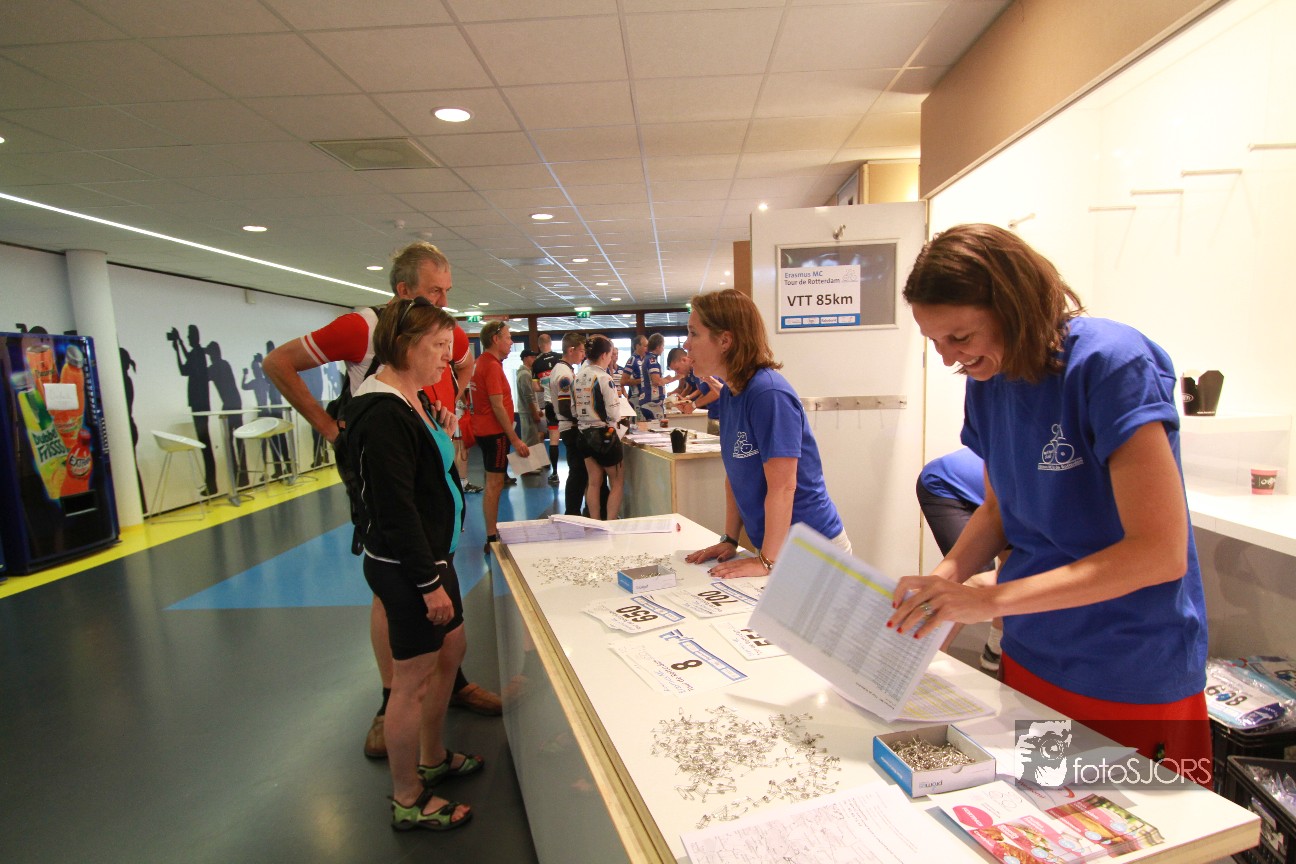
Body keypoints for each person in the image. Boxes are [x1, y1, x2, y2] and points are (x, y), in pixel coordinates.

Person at [890, 223, 1210, 783]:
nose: (948, 359)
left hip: (1125, 668)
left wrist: (987, 600)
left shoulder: (1110, 364)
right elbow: (997, 509)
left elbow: (1159, 553)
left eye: (959, 337)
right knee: (1050, 809)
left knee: (1136, 822)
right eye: (935, 342)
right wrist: (944, 580)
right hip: (1034, 652)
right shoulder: (987, 380)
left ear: (1013, 306)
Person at [263, 241, 501, 763]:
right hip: (386, 458)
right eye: (435, 291)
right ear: (403, 290)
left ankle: (451, 681)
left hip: (430, 451)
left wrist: (447, 414)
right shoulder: (360, 328)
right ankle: (392, 698)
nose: (445, 301)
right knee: (398, 575)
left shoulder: (449, 333)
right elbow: (278, 363)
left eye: (448, 291)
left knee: (439, 557)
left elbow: (460, 367)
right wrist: (333, 430)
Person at [344, 298, 479, 832]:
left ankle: (433, 755)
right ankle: (407, 797)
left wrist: (438, 427)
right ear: (404, 345)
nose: (448, 358)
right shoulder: (382, 413)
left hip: (433, 555)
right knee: (412, 681)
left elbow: (425, 469)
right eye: (439, 346)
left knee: (452, 650)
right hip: (410, 567)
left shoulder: (411, 397)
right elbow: (394, 509)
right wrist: (428, 584)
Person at [683, 289, 849, 578]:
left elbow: (784, 487)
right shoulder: (730, 394)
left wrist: (767, 561)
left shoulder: (768, 394)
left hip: (813, 549)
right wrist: (730, 539)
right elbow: (735, 475)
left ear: (725, 341)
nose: (686, 345)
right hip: (777, 550)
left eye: (693, 334)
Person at [917, 447, 1004, 672]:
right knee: (981, 581)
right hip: (946, 485)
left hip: (1000, 499)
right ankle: (923, 660)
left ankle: (995, 650)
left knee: (1006, 575)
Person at [471, 320, 529, 552]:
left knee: (493, 483)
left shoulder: (481, 363)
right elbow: (497, 406)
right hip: (494, 433)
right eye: (507, 337)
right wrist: (514, 438)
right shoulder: (492, 367)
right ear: (495, 339)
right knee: (494, 484)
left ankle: (492, 533)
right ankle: (491, 537)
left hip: (485, 430)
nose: (511, 342)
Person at [573, 335, 624, 521]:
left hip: (583, 434)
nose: (611, 358)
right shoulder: (604, 378)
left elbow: (573, 409)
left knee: (594, 482)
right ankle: (611, 523)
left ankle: (595, 521)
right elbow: (614, 412)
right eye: (610, 354)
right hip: (604, 435)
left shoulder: (577, 377)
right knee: (617, 481)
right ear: (604, 355)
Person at [548, 333, 588, 516]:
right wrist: (582, 417)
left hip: (569, 425)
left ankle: (574, 510)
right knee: (577, 472)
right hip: (570, 427)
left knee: (578, 472)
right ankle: (572, 512)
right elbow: (565, 406)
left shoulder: (564, 369)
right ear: (571, 350)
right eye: (581, 351)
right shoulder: (564, 374)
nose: (583, 355)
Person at [530, 333, 563, 486]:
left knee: (554, 439)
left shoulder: (536, 363)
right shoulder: (560, 358)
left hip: (550, 405)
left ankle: (555, 473)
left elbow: (535, 387)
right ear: (550, 343)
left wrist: (546, 387)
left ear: (539, 345)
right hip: (565, 403)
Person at [516, 349, 544, 449]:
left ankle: (536, 460)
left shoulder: (527, 373)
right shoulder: (524, 374)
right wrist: (534, 413)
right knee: (531, 443)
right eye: (532, 357)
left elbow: (531, 394)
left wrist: (537, 410)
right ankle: (530, 460)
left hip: (529, 412)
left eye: (535, 357)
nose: (534, 359)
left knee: (534, 440)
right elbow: (528, 396)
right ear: (525, 359)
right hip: (528, 413)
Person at [638, 333, 668, 421]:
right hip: (652, 402)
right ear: (658, 347)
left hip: (648, 401)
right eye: (663, 346)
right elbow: (656, 381)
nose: (663, 349)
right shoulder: (652, 360)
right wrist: (672, 379)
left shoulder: (647, 358)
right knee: (659, 428)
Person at [620, 334, 647, 419]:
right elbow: (623, 381)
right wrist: (642, 380)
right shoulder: (632, 360)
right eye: (645, 346)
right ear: (637, 346)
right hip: (635, 399)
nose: (647, 348)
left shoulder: (645, 359)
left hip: (644, 398)